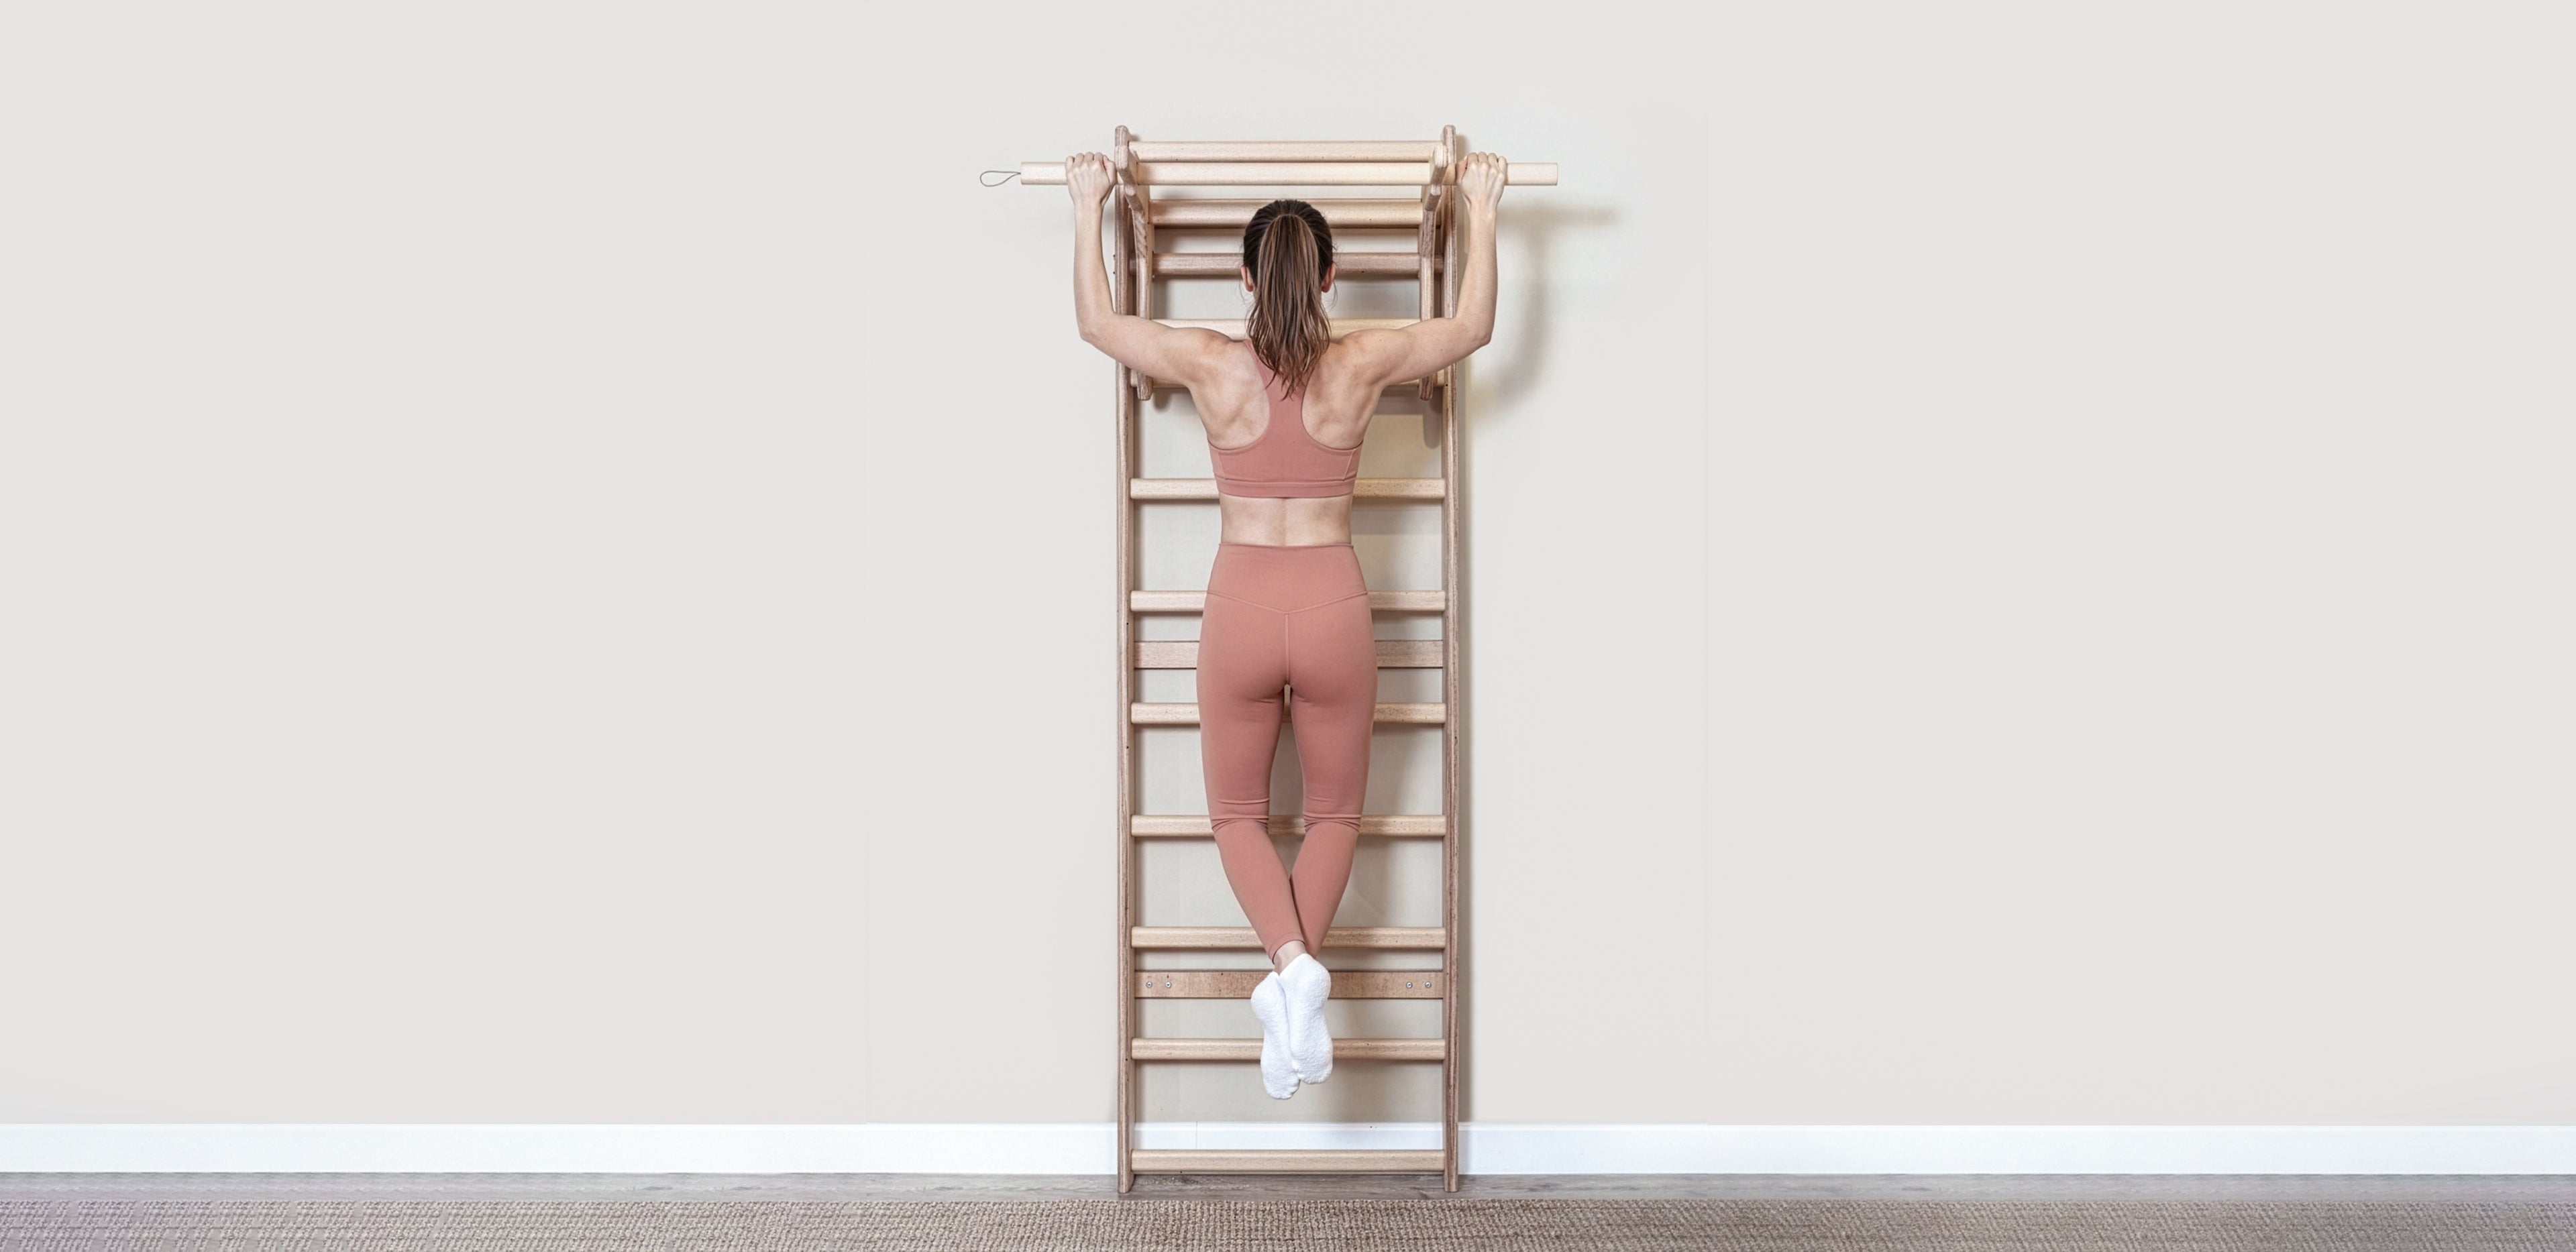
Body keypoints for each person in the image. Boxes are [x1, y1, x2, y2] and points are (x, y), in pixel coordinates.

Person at [1064, 150, 1504, 1098]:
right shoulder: (1363, 360)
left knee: (1235, 815)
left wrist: (1086, 202)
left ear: (1248, 276)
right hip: (1337, 602)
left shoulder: (1210, 363)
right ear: (1333, 275)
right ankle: (1296, 979)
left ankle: (1292, 967)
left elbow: (1096, 322)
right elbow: (1473, 326)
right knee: (1336, 812)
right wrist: (1480, 205)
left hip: (1243, 606)